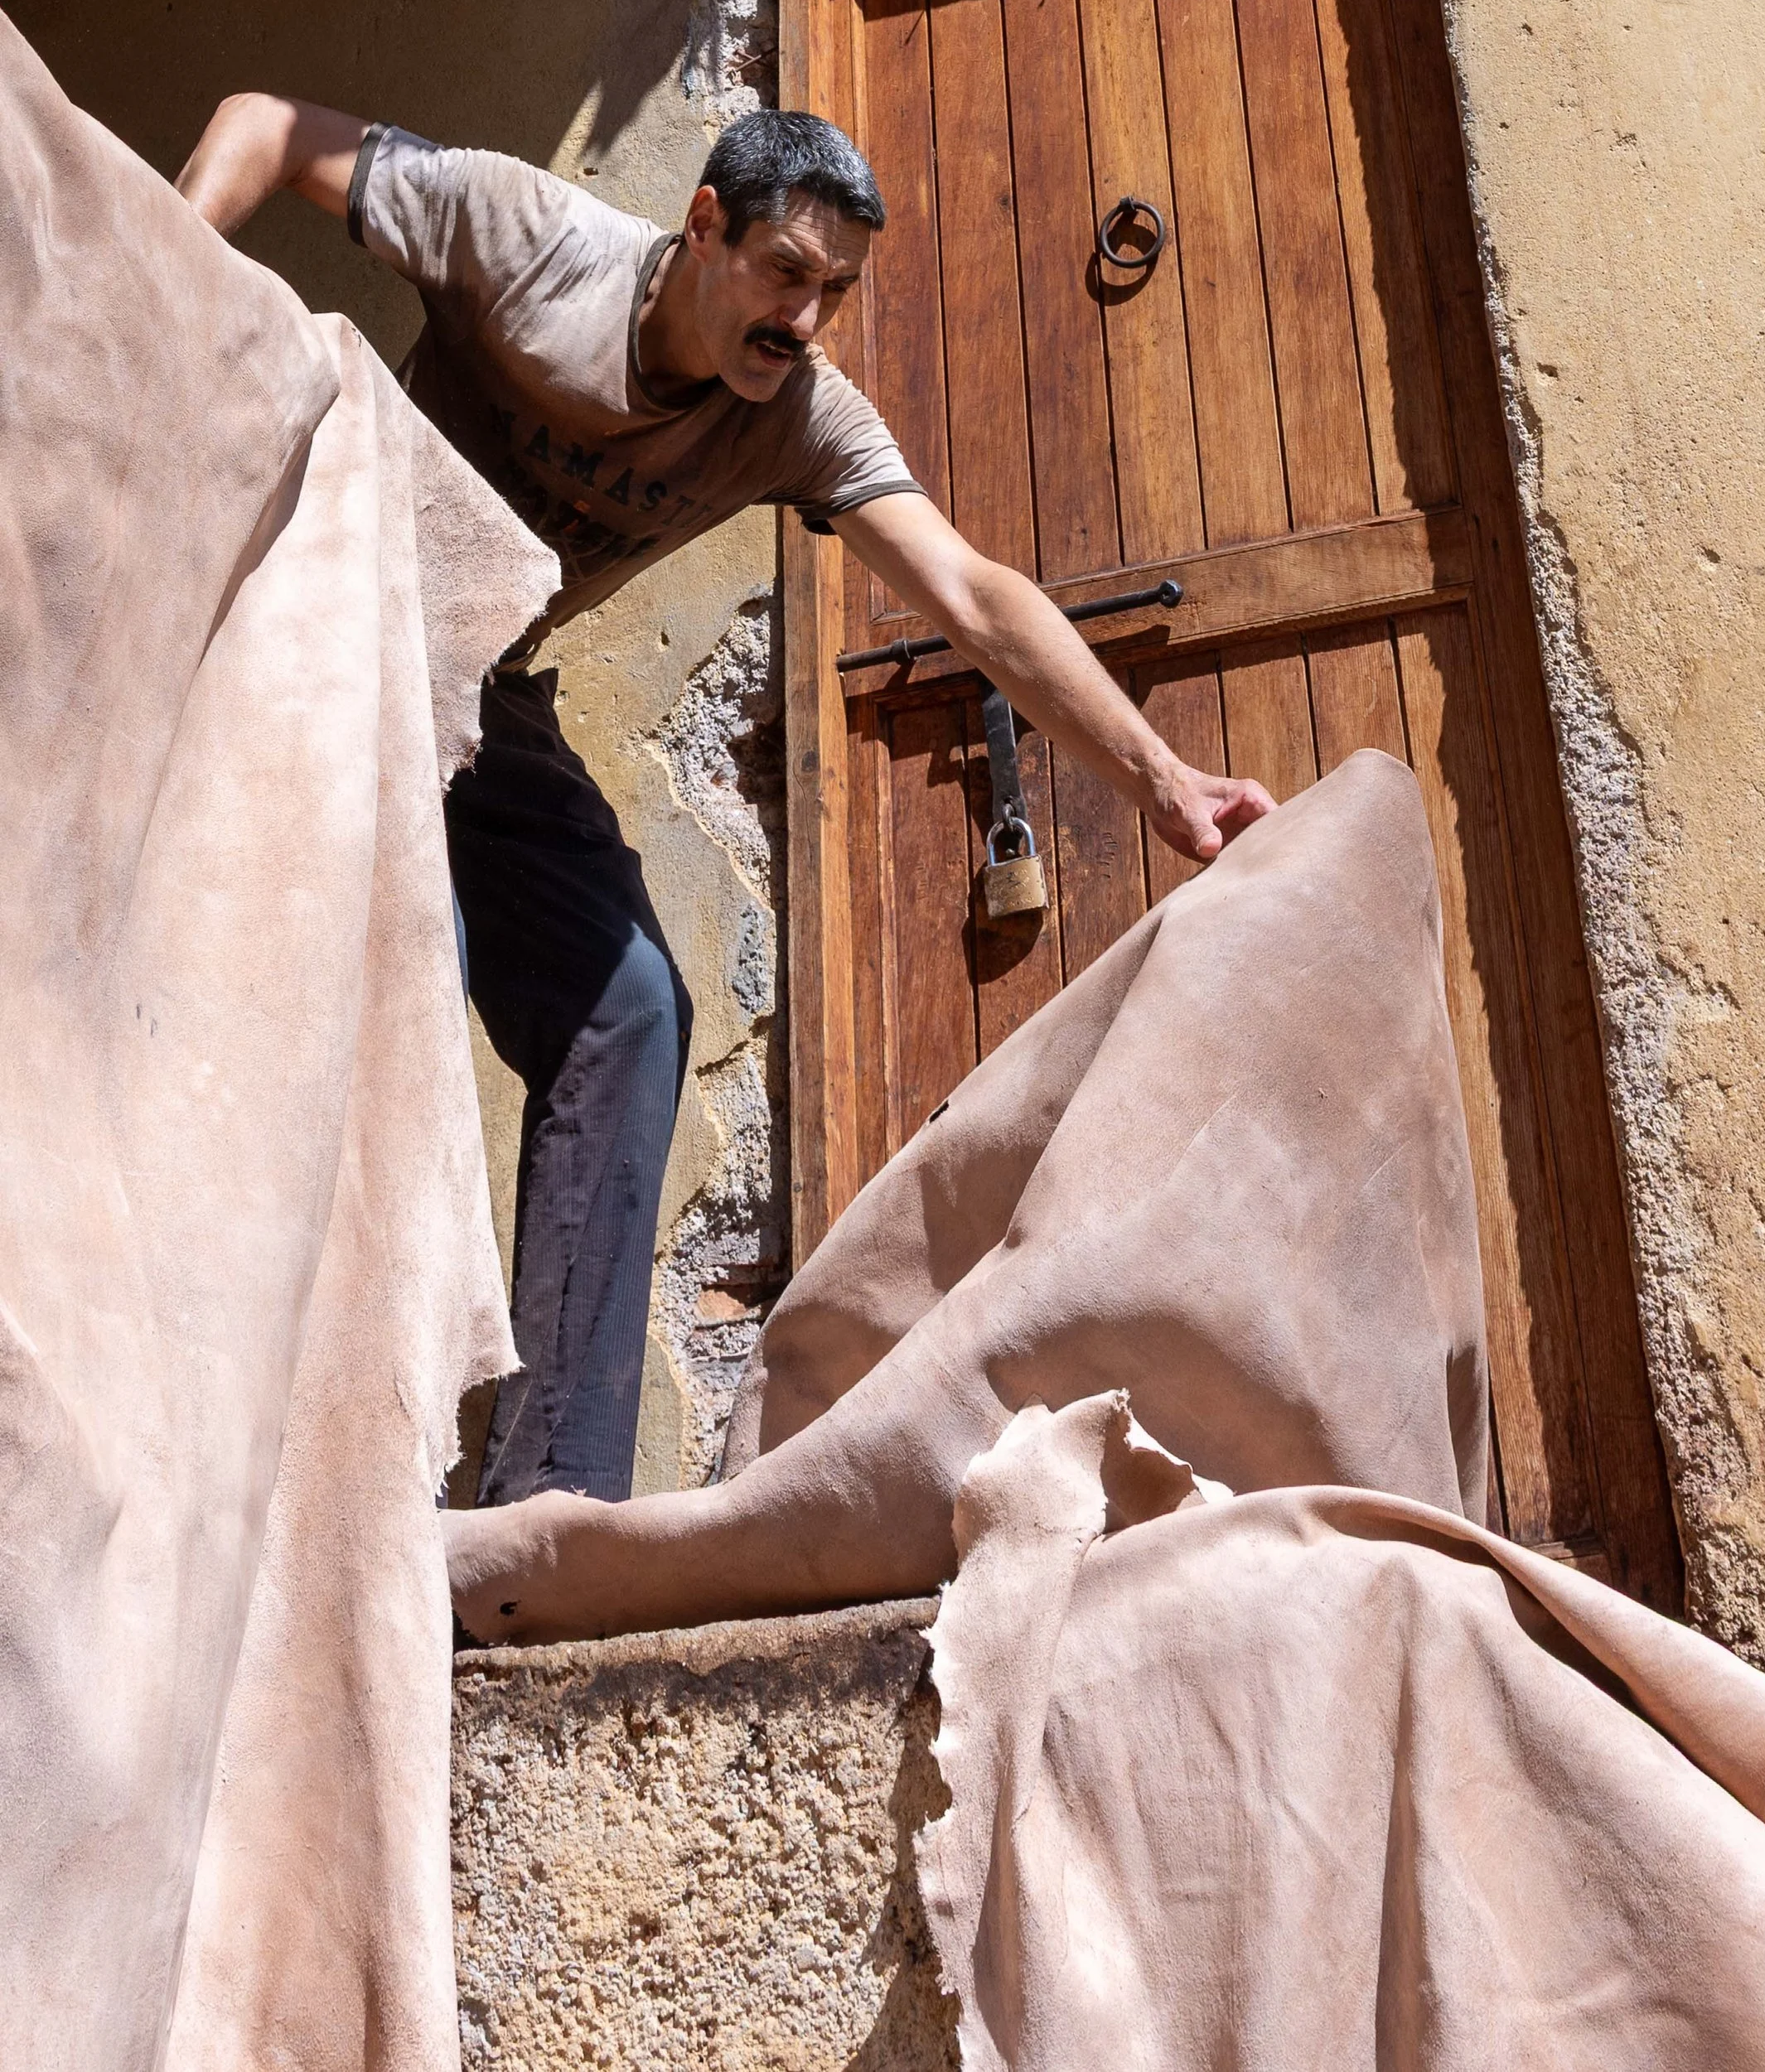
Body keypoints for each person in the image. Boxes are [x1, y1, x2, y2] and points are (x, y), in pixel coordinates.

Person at [177, 94, 1274, 1508]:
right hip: (334, 627)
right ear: (705, 227)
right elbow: (266, 127)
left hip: (480, 684)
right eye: (785, 273)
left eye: (836, 292)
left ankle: (545, 1503)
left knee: (627, 1009)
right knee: (404, 970)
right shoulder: (523, 234)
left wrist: (1164, 779)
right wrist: (160, 294)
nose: (807, 318)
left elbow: (978, 599)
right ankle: (312, 1477)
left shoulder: (801, 419)